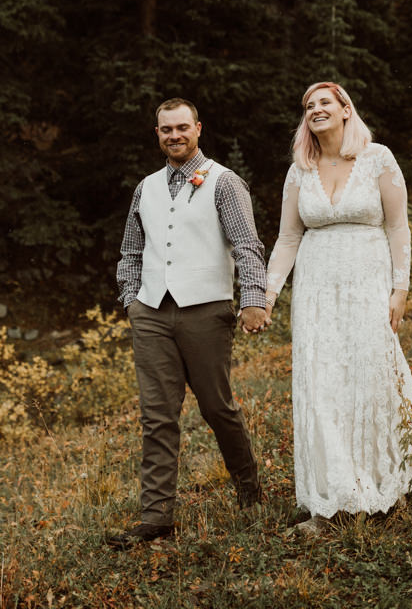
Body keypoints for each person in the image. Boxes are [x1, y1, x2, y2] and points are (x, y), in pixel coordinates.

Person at [106, 97, 271, 550]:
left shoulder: (224, 182)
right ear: (156, 134)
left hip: (206, 311)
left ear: (198, 128)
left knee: (217, 407)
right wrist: (131, 300)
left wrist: (253, 300)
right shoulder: (146, 187)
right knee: (157, 415)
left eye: (182, 127)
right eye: (165, 130)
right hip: (151, 313)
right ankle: (156, 515)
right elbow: (131, 251)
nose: (174, 136)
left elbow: (247, 245)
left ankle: (249, 490)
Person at [264, 81, 412, 533]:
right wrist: (268, 293)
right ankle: (335, 495)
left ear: (345, 110)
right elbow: (289, 237)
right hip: (315, 293)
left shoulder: (378, 159)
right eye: (308, 105)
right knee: (322, 384)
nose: (315, 109)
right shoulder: (300, 170)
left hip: (367, 285)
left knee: (372, 374)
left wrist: (400, 288)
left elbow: (398, 227)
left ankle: (388, 476)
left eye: (324, 103)